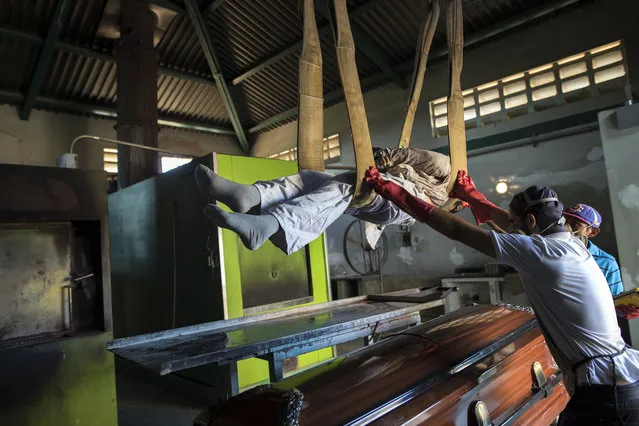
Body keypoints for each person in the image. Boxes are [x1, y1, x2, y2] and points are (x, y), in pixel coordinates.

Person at [364, 167, 639, 425]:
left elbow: (456, 229)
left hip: (605, 392)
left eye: (517, 221)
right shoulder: (573, 246)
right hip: (622, 380)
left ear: (530, 221)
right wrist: (471, 197)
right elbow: (509, 226)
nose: (512, 226)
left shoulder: (541, 253)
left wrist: (393, 191)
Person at [194, 147, 462, 255]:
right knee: (313, 180)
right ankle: (251, 196)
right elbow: (408, 157)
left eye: (461, 207)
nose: (459, 207)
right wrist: (383, 160)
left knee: (349, 190)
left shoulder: (442, 183)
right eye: (461, 204)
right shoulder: (445, 169)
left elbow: (403, 157)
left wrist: (384, 160)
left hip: (404, 201)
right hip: (391, 188)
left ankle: (269, 225)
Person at [563, 203, 624, 296]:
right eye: (564, 222)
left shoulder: (607, 263)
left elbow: (617, 303)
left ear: (593, 232)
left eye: (575, 224)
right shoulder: (552, 252)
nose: (566, 228)